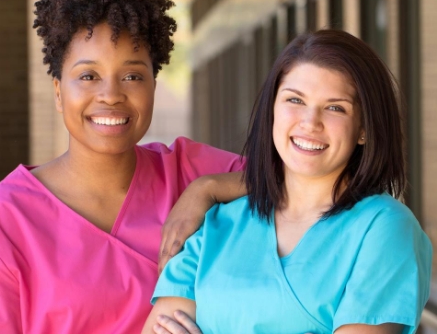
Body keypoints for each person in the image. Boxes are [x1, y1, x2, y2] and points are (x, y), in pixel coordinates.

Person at [0, 0, 246, 332]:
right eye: (88, 76)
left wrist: (206, 189)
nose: (110, 95)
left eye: (132, 75)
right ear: (58, 92)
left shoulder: (190, 172)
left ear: (153, 87)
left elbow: (303, 181)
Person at [143, 29, 433, 334]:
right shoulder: (216, 227)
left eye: (335, 107)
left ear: (364, 128)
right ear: (272, 110)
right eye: (295, 99)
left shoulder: (383, 229)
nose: (310, 122)